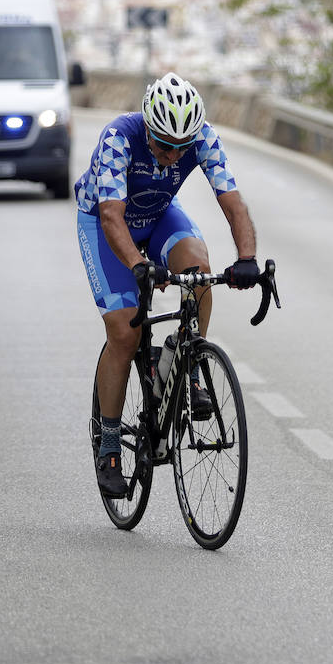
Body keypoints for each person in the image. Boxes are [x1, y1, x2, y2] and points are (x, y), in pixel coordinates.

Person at [74, 72, 261, 498]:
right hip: (105, 223)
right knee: (125, 332)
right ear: (148, 126)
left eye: (182, 147)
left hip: (158, 216)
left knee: (200, 272)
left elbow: (232, 201)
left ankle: (189, 363)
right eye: (163, 145)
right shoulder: (119, 137)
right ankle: (107, 446)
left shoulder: (202, 139)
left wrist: (247, 259)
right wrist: (139, 264)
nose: (173, 156)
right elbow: (110, 215)